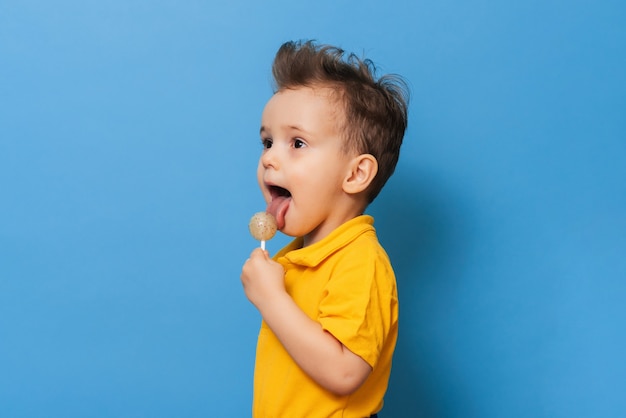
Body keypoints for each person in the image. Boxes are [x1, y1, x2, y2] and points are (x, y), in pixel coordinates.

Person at [241, 39, 409, 417]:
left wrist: (271, 299)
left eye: (296, 142)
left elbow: (345, 371)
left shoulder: (360, 262)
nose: (269, 158)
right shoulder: (297, 257)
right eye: (267, 142)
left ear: (355, 174)